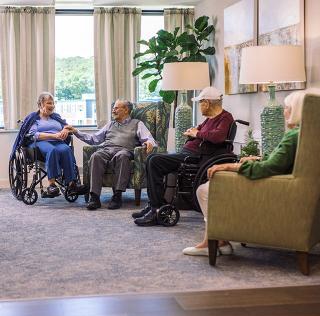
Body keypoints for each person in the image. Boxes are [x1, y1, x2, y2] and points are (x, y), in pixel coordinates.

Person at [182, 88, 314, 257]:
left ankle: (214, 241)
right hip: (285, 186)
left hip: (273, 188)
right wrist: (258, 158)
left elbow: (269, 168)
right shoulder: (304, 135)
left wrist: (230, 167)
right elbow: (282, 162)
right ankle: (220, 240)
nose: (284, 111)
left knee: (205, 190)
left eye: (287, 108)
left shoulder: (293, 136)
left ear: (297, 111)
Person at [133, 86, 234, 226]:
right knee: (152, 158)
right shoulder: (209, 119)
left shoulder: (225, 117)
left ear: (207, 103)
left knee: (154, 160)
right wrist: (194, 131)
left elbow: (218, 137)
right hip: (189, 153)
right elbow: (200, 130)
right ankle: (154, 205)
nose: (200, 106)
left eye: (200, 103)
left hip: (197, 157)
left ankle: (156, 210)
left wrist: (196, 134)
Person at [66, 99, 156, 210]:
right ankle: (94, 197)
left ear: (126, 110)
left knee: (122, 156)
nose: (113, 110)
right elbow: (94, 139)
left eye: (116, 108)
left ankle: (117, 196)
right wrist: (76, 131)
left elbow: (149, 139)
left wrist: (148, 143)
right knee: (96, 156)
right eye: (113, 108)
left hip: (125, 150)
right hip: (108, 149)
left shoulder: (137, 123)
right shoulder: (110, 125)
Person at [10, 92, 87, 197]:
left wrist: (65, 129)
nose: (52, 106)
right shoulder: (34, 118)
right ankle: (52, 185)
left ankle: (71, 184)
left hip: (57, 142)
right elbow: (34, 134)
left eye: (53, 103)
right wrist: (54, 136)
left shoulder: (56, 117)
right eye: (49, 103)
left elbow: (67, 126)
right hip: (39, 142)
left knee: (66, 149)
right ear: (40, 104)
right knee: (52, 150)